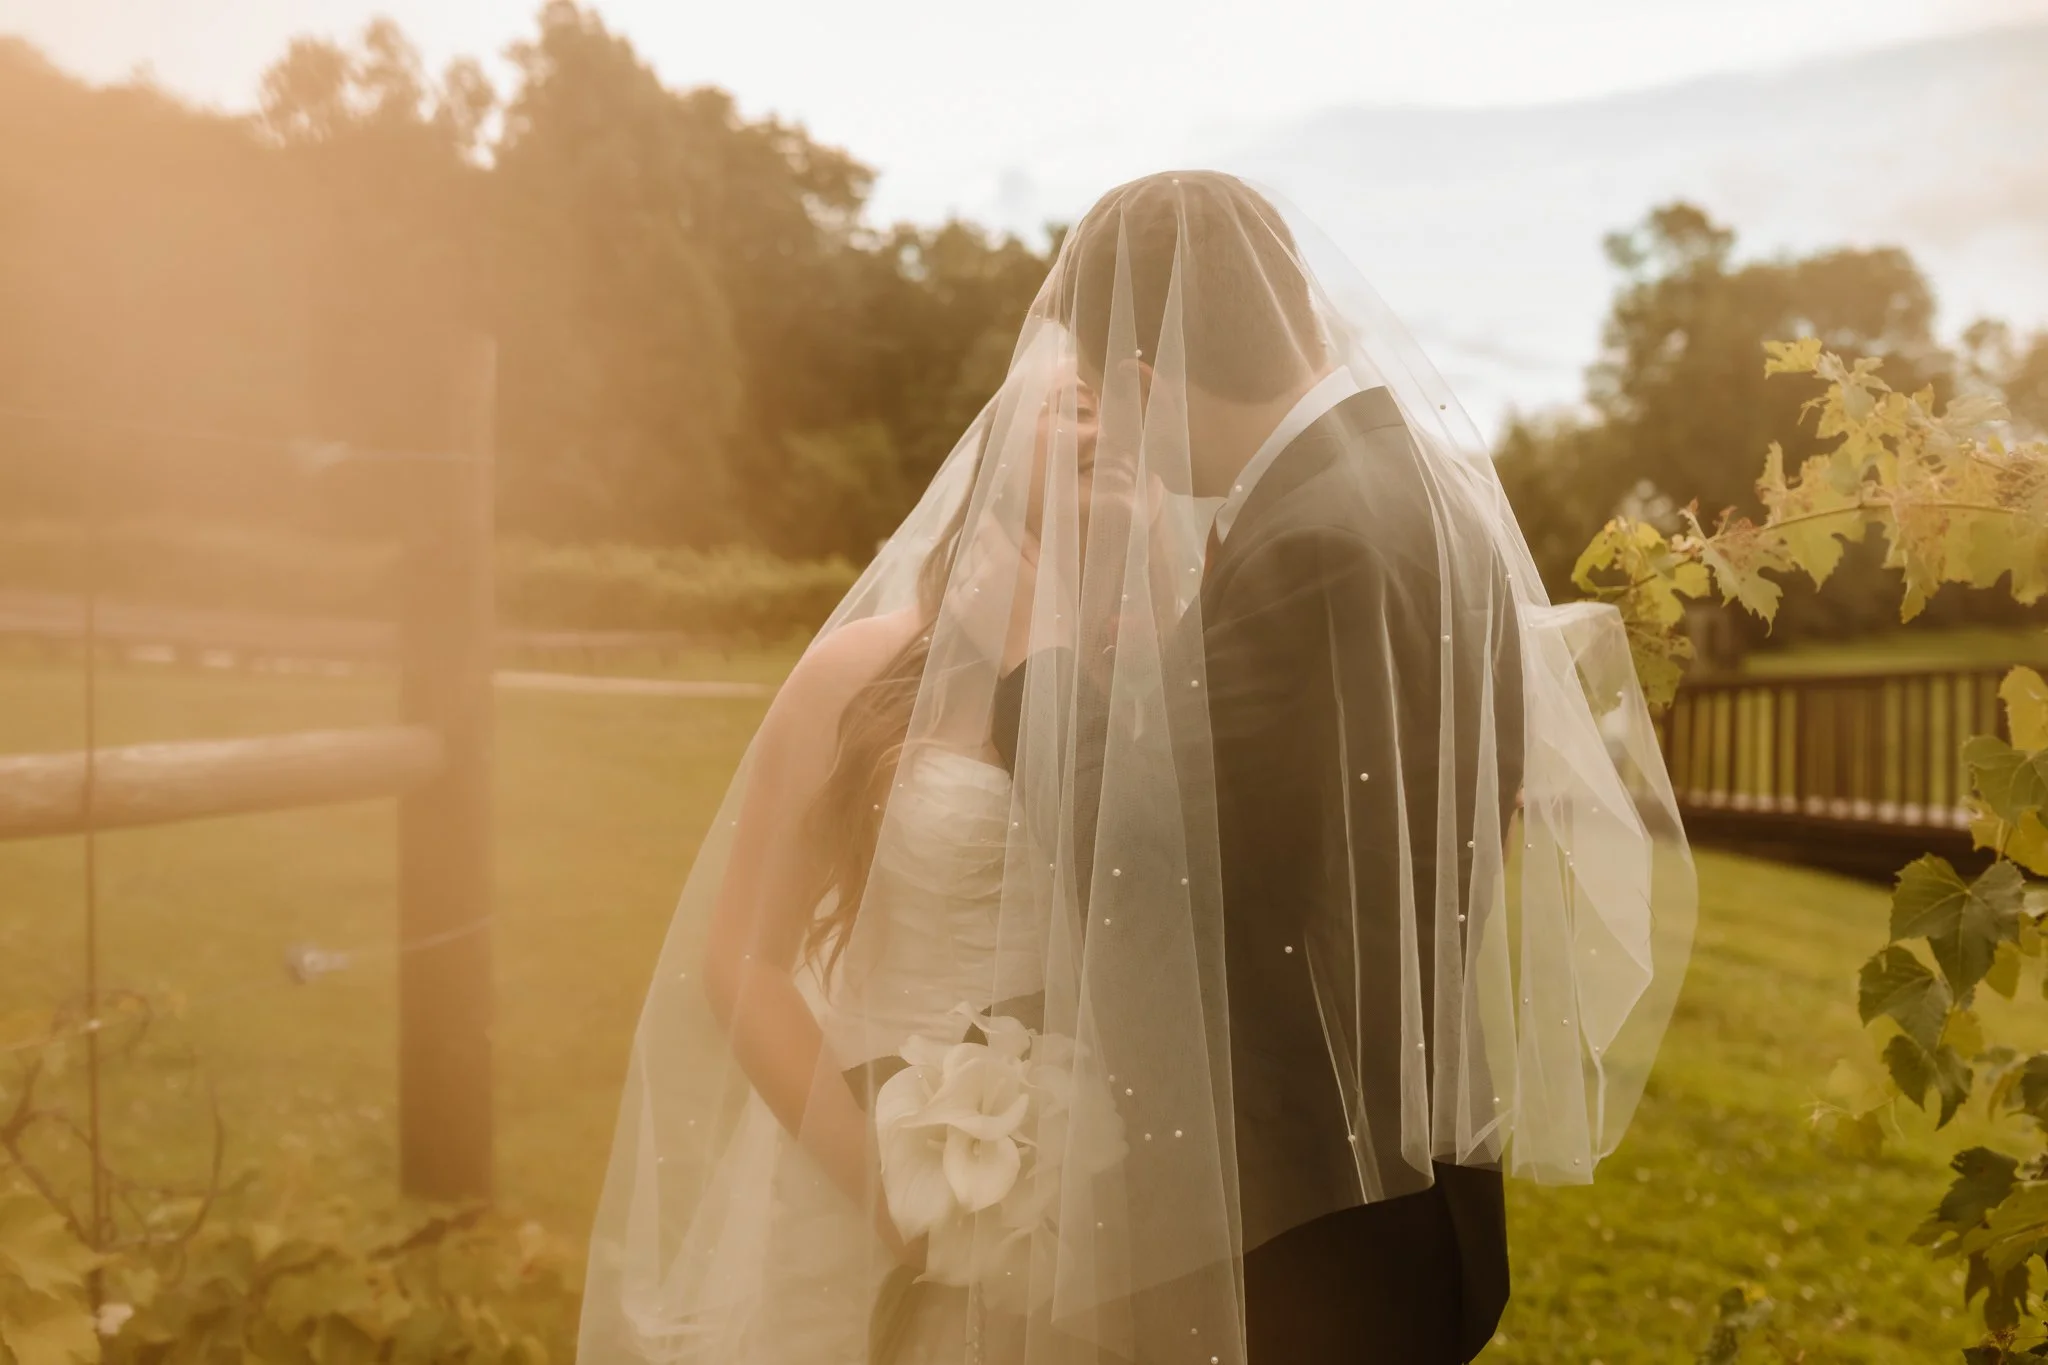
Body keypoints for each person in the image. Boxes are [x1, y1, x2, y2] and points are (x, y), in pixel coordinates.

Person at [578, 171, 1696, 1365]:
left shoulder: (1265, 579)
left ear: (1152, 402)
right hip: (1068, 1203)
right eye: (1062, 409)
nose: (1097, 433)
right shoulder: (1394, 505)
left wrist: (1039, 656)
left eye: (1109, 408)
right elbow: (743, 954)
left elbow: (1180, 868)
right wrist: (905, 1192)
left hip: (1239, 1231)